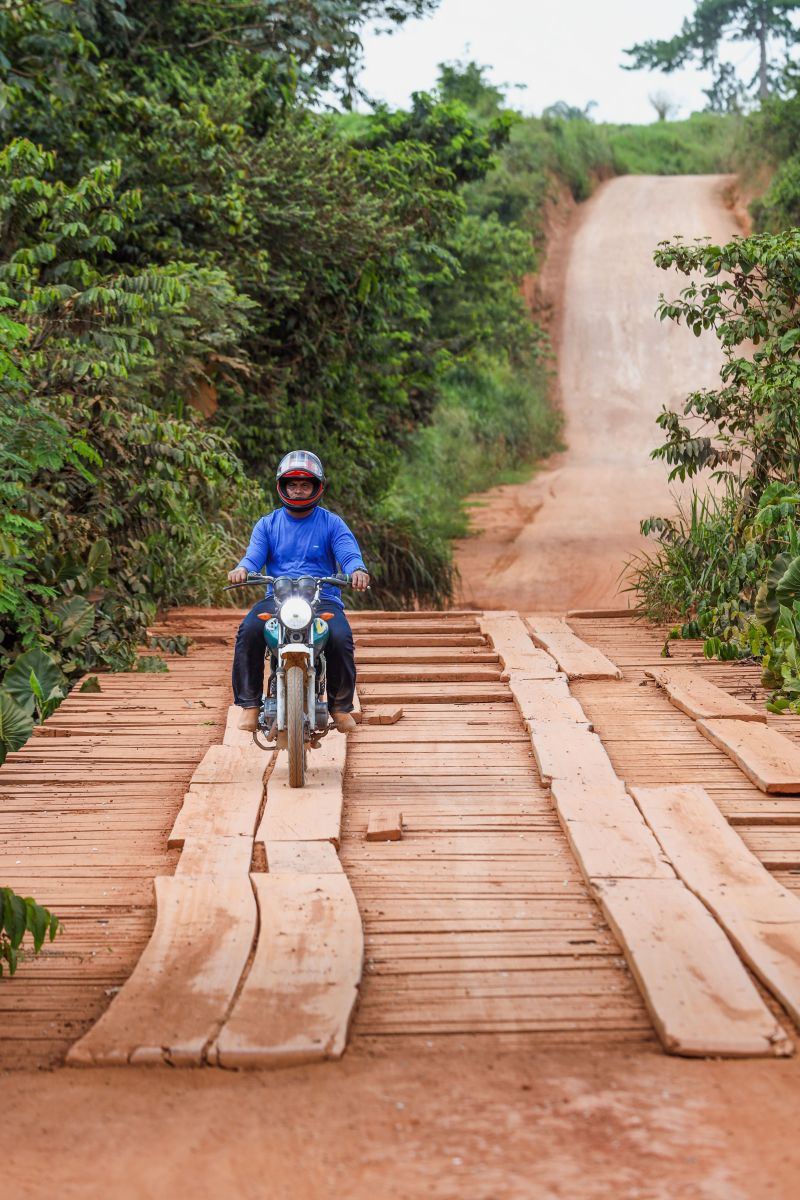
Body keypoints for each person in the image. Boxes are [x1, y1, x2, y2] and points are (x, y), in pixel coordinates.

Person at [229, 450, 370, 734]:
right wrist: (242, 569)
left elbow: (349, 553)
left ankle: (340, 708)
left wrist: (357, 570)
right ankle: (250, 705)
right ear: (282, 486)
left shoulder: (332, 523)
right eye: (292, 484)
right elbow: (253, 558)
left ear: (317, 487)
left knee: (341, 637)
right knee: (249, 631)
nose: (298, 489)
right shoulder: (267, 524)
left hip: (322, 600)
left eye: (305, 484)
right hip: (278, 599)